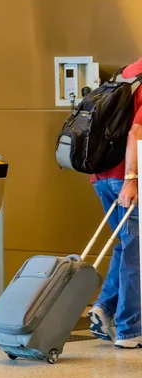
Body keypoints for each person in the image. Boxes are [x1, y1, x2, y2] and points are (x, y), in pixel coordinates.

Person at [88, 57, 142, 349]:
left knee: (125, 246)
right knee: (136, 254)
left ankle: (104, 308)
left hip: (101, 176)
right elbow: (136, 132)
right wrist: (132, 180)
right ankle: (129, 330)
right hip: (125, 179)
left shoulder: (126, 73)